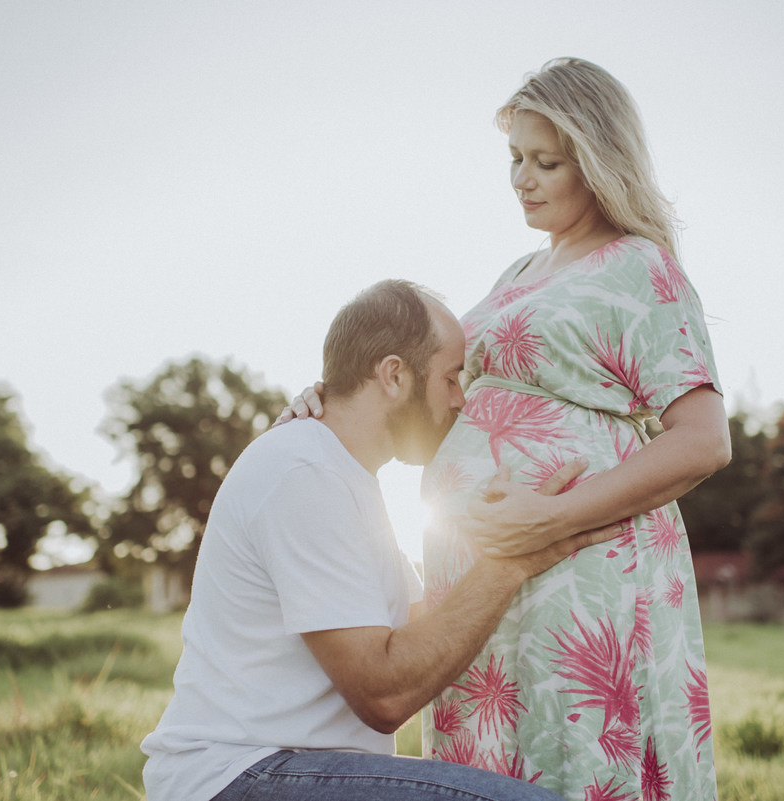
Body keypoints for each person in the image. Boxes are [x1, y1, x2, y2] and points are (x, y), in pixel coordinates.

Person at [281, 58, 731, 800]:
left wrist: (553, 516)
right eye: (515, 158)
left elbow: (702, 440)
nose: (522, 179)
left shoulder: (640, 266)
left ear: (599, 161)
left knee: (572, 752)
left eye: (545, 162)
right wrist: (337, 399)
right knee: (485, 769)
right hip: (481, 579)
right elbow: (437, 400)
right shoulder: (518, 271)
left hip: (578, 563)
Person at [140, 279, 618, 801]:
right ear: (393, 375)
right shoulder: (304, 470)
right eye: (451, 378)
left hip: (295, 767)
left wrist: (507, 525)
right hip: (238, 773)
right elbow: (385, 694)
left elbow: (424, 642)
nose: (461, 400)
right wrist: (507, 563)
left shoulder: (345, 479)